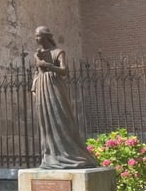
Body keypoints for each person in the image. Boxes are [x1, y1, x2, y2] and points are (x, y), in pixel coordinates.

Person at [31, 26, 98, 170]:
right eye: (35, 36)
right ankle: (50, 156)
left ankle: (69, 153)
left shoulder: (58, 52)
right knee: (46, 123)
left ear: (46, 36)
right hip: (42, 87)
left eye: (38, 36)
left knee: (62, 118)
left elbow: (64, 70)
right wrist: (33, 88)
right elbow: (36, 73)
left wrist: (47, 65)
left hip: (55, 87)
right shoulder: (37, 54)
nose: (36, 39)